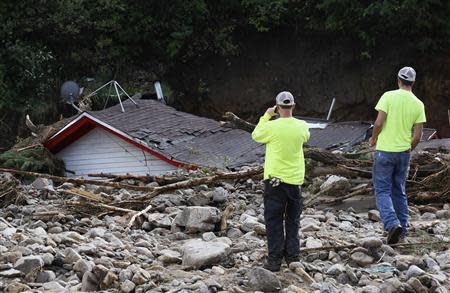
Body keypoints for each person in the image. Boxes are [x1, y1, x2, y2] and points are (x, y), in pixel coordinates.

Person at [251, 91, 310, 272]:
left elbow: (256, 135)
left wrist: (267, 115)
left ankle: (274, 260)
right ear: (293, 106)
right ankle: (293, 257)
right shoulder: (302, 126)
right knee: (293, 220)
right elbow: (306, 136)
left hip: (275, 180)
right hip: (295, 181)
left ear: (278, 107)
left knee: (274, 220)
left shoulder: (272, 127)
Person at [369, 66, 426, 244]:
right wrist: (409, 147)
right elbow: (418, 136)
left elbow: (378, 123)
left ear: (398, 80)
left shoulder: (388, 96)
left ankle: (392, 223)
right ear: (413, 82)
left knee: (382, 190)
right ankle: (403, 229)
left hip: (385, 151)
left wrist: (373, 138)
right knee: (399, 191)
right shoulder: (418, 104)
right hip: (403, 153)